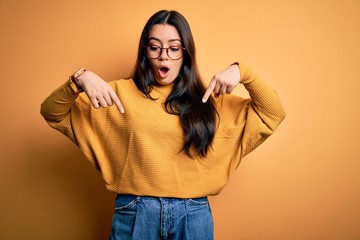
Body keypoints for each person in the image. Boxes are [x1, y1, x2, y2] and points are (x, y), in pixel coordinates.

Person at [41, 9, 285, 240]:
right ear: (145, 51)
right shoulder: (115, 94)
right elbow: (52, 112)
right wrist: (80, 78)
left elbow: (273, 113)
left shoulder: (210, 101)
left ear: (186, 53)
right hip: (136, 212)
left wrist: (242, 72)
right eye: (155, 47)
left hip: (193, 215)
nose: (163, 56)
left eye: (174, 48)